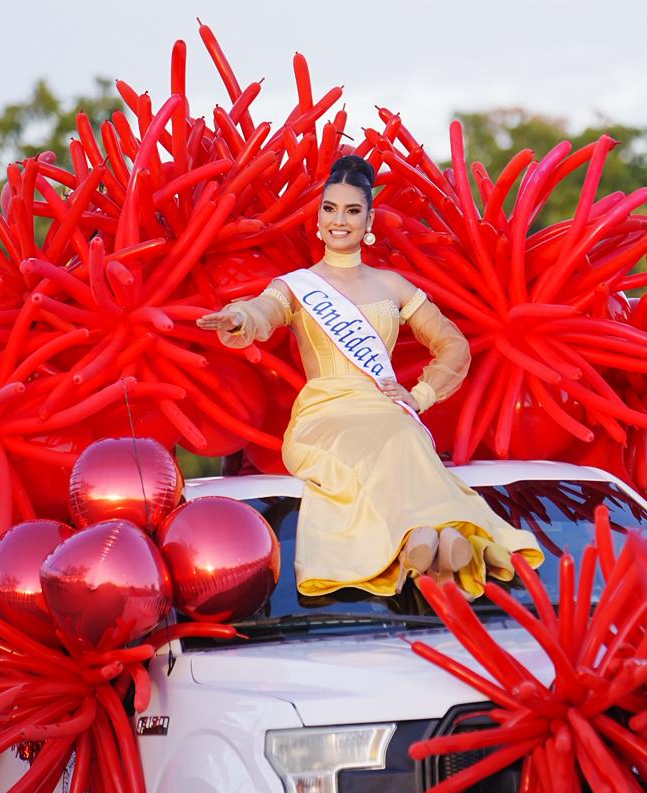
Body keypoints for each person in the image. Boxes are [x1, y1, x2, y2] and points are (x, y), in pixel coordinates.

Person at [197, 155, 543, 598]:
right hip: (325, 415)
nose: (339, 220)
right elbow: (262, 311)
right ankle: (434, 536)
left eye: (352, 210)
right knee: (392, 443)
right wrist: (239, 317)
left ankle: (424, 541)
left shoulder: (393, 285)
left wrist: (420, 395)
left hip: (384, 406)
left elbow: (453, 345)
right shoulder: (297, 285)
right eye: (330, 209)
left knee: (403, 434)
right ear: (318, 218)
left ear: (369, 221)